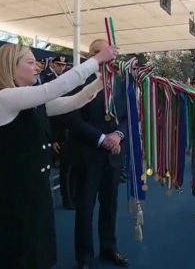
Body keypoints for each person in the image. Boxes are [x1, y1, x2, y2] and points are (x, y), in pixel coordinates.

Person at [0, 43, 116, 269]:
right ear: (10, 67)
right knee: (17, 252)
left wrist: (103, 81)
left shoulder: (32, 103)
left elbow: (75, 100)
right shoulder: (6, 97)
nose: (38, 67)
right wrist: (97, 60)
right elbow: (55, 88)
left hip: (34, 190)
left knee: (37, 250)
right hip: (13, 194)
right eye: (31, 62)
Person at [66, 39, 129, 269]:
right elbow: (72, 118)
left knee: (110, 205)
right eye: (96, 52)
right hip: (87, 154)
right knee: (85, 207)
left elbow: (128, 116)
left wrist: (118, 136)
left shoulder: (121, 81)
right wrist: (102, 139)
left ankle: (109, 248)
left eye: (107, 52)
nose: (103, 56)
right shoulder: (78, 80)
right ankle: (84, 257)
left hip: (113, 155)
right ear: (89, 55)